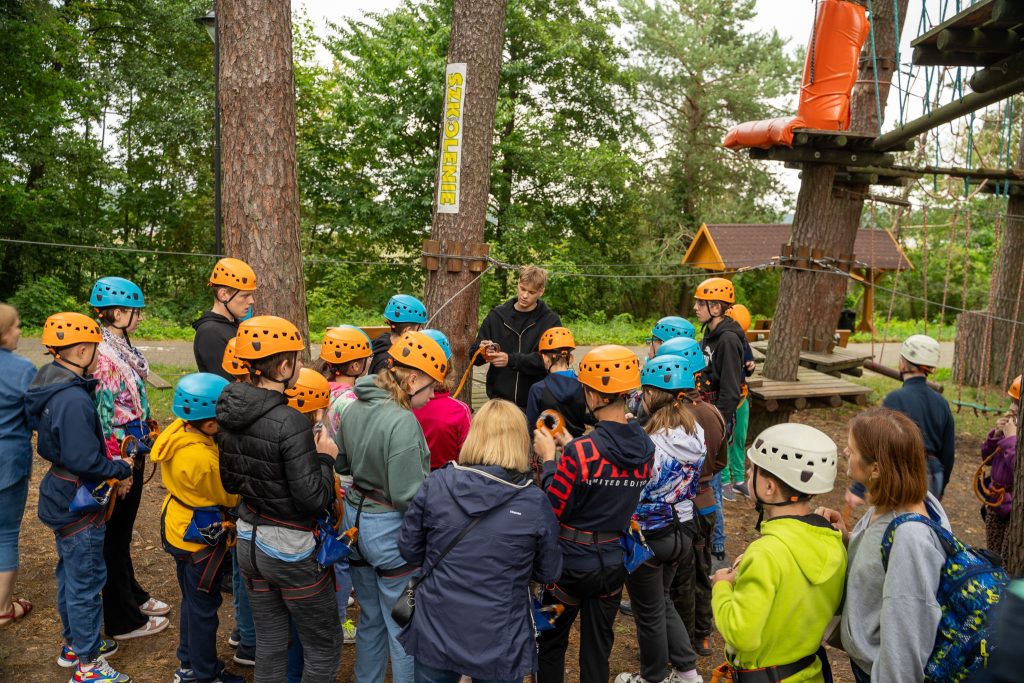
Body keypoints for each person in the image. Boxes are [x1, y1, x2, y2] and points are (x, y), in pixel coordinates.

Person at [397, 399, 562, 683]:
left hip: (437, 625)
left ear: (475, 435)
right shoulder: (533, 502)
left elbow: (409, 549)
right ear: (520, 441)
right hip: (499, 637)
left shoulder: (437, 484)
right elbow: (549, 571)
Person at [217, 316, 340, 683]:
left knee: (271, 641)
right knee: (323, 645)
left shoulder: (229, 411)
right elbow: (313, 500)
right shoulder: (290, 422)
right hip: (289, 550)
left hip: (249, 543)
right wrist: (324, 459)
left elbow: (230, 481)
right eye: (298, 360)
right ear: (284, 367)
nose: (301, 366)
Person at [533, 345, 655, 683]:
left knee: (548, 642)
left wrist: (549, 460)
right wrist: (571, 444)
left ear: (595, 395)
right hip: (612, 568)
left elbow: (553, 508)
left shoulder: (580, 453)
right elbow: (607, 464)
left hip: (566, 572)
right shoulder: (645, 447)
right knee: (598, 650)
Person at [335, 331, 448, 683]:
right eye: (431, 386)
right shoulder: (402, 421)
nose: (433, 394)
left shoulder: (355, 406)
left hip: (355, 525)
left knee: (370, 617)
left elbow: (343, 464)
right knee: (403, 623)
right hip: (388, 532)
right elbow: (407, 496)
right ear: (412, 380)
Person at [27, 312, 134, 683]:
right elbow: (84, 459)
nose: (98, 355)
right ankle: (88, 665)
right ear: (83, 350)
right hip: (77, 499)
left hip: (60, 490)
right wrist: (119, 468)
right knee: (86, 583)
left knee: (70, 575)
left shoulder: (50, 380)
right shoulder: (72, 398)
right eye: (96, 349)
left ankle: (75, 643)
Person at [817, 408, 953, 683]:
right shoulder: (895, 502)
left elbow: (905, 643)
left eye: (853, 449)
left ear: (876, 469)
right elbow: (880, 562)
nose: (845, 451)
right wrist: (847, 539)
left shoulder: (910, 539)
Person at [711, 423, 845, 682]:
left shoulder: (766, 554)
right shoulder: (833, 541)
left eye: (753, 470)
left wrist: (722, 587)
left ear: (770, 488)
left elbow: (741, 634)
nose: (747, 473)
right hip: (809, 673)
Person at [89, 276, 171, 640]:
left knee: (121, 534)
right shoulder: (105, 359)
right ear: (118, 313)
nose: (139, 317)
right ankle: (123, 620)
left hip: (132, 448)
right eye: (135, 312)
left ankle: (131, 594)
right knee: (115, 535)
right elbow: (104, 418)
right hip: (120, 454)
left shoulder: (122, 350)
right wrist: (117, 470)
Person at [616, 355, 704, 683]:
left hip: (649, 533)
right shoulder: (695, 434)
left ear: (651, 394)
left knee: (649, 611)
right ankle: (688, 674)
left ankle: (651, 678)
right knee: (662, 602)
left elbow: (636, 489)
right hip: (683, 527)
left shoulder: (649, 444)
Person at [152, 373, 243, 683]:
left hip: (177, 524)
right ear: (210, 422)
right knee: (204, 607)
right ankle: (204, 674)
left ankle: (189, 663)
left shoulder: (178, 429)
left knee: (192, 601)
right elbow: (230, 496)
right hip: (200, 537)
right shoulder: (202, 458)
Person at [662, 341, 727, 658]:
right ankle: (703, 635)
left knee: (680, 576)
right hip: (706, 502)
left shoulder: (675, 417)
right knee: (703, 569)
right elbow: (721, 462)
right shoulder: (713, 412)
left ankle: (682, 642)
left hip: (681, 505)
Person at [847, 334, 954, 509]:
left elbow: (877, 444)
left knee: (899, 520)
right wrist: (942, 484)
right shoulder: (941, 402)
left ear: (902, 364)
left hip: (905, 474)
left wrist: (858, 489)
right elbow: (948, 451)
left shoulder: (895, 399)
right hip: (934, 475)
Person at [693, 277, 746, 569]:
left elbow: (730, 390)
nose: (696, 307)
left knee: (712, 484)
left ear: (716, 307)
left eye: (701, 303)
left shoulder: (727, 340)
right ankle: (712, 539)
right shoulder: (710, 335)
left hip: (717, 420)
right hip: (707, 416)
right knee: (707, 482)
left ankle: (717, 546)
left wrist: (719, 427)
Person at [474, 265, 562, 409]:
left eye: (531, 292)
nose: (525, 295)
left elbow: (552, 360)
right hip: (499, 402)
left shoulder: (550, 321)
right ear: (518, 284)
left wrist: (511, 360)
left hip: (535, 403)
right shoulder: (497, 316)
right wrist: (483, 351)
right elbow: (473, 357)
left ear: (541, 292)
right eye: (522, 289)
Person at [0, 304, 35, 628]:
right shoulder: (22, 369)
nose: (19, 331)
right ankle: (3, 608)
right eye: (15, 326)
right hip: (8, 462)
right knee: (6, 533)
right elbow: (34, 416)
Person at [412, 329, 471, 470]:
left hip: (409, 478)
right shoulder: (459, 411)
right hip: (448, 479)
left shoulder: (400, 404)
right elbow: (469, 456)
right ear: (448, 367)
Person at [193, 257, 258, 379]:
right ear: (223, 295)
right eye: (245, 296)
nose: (251, 301)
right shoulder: (210, 333)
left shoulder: (235, 324)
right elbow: (228, 384)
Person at [977, 375, 1020, 560]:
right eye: (1012, 402)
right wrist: (996, 435)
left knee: (1007, 559)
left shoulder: (1014, 435)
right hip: (996, 503)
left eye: (1018, 404)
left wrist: (1011, 439)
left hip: (1013, 511)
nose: (1012, 408)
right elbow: (987, 458)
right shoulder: (1011, 430)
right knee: (993, 556)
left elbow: (1018, 467)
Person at [525, 326, 593, 438]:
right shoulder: (583, 386)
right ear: (571, 358)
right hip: (576, 444)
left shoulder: (537, 389)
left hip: (549, 445)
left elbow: (532, 427)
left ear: (545, 359)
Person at [720, 304, 756, 501]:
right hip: (725, 398)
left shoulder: (742, 341)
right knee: (724, 439)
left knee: (740, 438)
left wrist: (750, 366)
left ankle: (739, 479)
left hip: (741, 396)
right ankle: (724, 480)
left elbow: (748, 365)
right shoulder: (721, 342)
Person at [370, 295, 428, 375]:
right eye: (420, 328)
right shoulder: (387, 363)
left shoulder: (384, 344)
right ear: (408, 331)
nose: (421, 331)